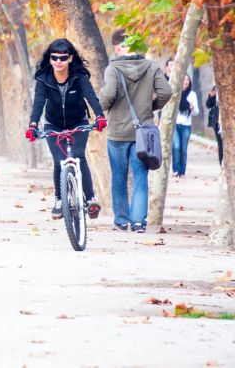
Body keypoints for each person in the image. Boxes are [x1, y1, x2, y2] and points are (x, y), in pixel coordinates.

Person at [99, 29, 172, 233]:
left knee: (119, 177)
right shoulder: (151, 67)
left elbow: (108, 95)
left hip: (117, 133)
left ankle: (121, 221)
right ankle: (138, 222)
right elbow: (166, 92)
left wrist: (100, 105)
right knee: (140, 176)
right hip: (143, 132)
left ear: (116, 47)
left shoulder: (112, 69)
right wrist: (150, 108)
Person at [26, 38, 107, 221]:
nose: (58, 62)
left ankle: (90, 199)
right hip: (53, 124)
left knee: (78, 155)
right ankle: (59, 200)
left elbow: (90, 96)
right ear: (49, 59)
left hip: (78, 121)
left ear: (70, 58)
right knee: (59, 160)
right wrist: (33, 124)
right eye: (54, 58)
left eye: (63, 58)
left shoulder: (79, 76)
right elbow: (39, 103)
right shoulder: (43, 78)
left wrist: (99, 116)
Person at [172, 73, 199, 178]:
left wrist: (192, 108)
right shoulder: (175, 93)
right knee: (176, 146)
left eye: (187, 80)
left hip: (186, 125)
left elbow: (196, 112)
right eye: (183, 80)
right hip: (175, 124)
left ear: (189, 82)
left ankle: (182, 172)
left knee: (183, 149)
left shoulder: (192, 95)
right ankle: (175, 170)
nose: (185, 82)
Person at [206, 84, 223, 165]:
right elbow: (208, 105)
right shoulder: (215, 88)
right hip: (217, 122)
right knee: (221, 145)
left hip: (228, 121)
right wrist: (211, 96)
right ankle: (222, 166)